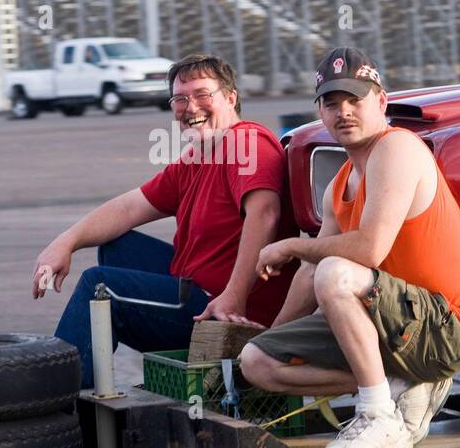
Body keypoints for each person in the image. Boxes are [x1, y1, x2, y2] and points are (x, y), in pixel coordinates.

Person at [239, 47, 460, 448]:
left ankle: (377, 414)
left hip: (445, 328)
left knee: (336, 273)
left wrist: (291, 244)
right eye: (332, 103)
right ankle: (395, 381)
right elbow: (307, 274)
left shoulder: (398, 149)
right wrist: (274, 336)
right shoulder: (340, 181)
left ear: (382, 101)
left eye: (355, 99)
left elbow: (370, 249)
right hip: (389, 323)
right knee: (257, 362)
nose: (344, 112)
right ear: (320, 111)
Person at [32, 54, 298, 385]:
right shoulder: (199, 157)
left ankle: (58, 409)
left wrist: (234, 295)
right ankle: (103, 378)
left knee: (98, 286)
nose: (191, 106)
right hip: (199, 289)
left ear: (230, 98)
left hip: (229, 312)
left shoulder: (246, 143)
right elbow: (129, 208)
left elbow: (266, 212)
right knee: (117, 246)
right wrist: (65, 242)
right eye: (180, 98)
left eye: (202, 94)